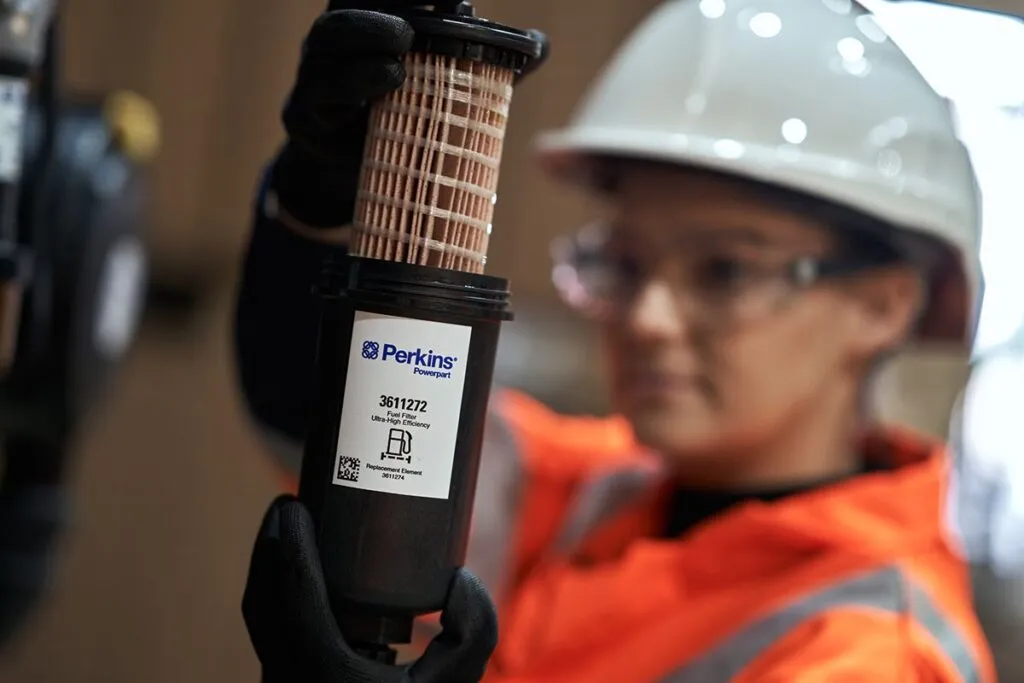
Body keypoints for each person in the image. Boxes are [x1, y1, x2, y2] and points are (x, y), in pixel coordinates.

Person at [235, 1, 997, 680]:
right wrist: (318, 213)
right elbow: (333, 423)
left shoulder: (870, 649)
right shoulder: (601, 490)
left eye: (725, 269)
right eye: (625, 264)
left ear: (883, 304)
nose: (647, 318)